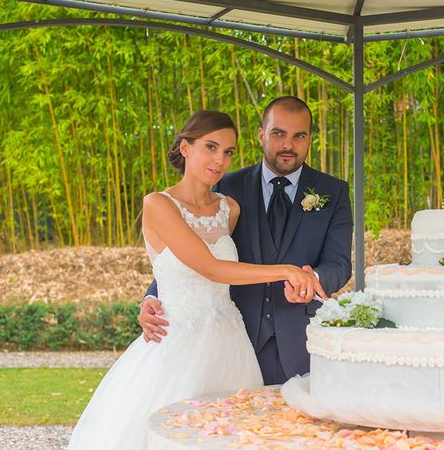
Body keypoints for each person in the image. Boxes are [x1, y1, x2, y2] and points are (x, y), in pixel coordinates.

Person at [67, 110, 325, 450]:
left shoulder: (229, 208)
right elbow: (209, 267)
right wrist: (287, 270)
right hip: (177, 344)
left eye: (228, 152)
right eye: (211, 147)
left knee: (233, 434)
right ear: (185, 148)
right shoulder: (158, 204)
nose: (220, 160)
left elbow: (214, 271)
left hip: (231, 342)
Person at [140, 97, 353, 385]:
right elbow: (190, 254)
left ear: (309, 139)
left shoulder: (333, 191)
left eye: (298, 136)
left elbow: (339, 263)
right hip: (238, 342)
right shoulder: (226, 187)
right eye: (279, 134)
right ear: (261, 134)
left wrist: (310, 279)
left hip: (301, 342)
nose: (288, 145)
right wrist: (153, 297)